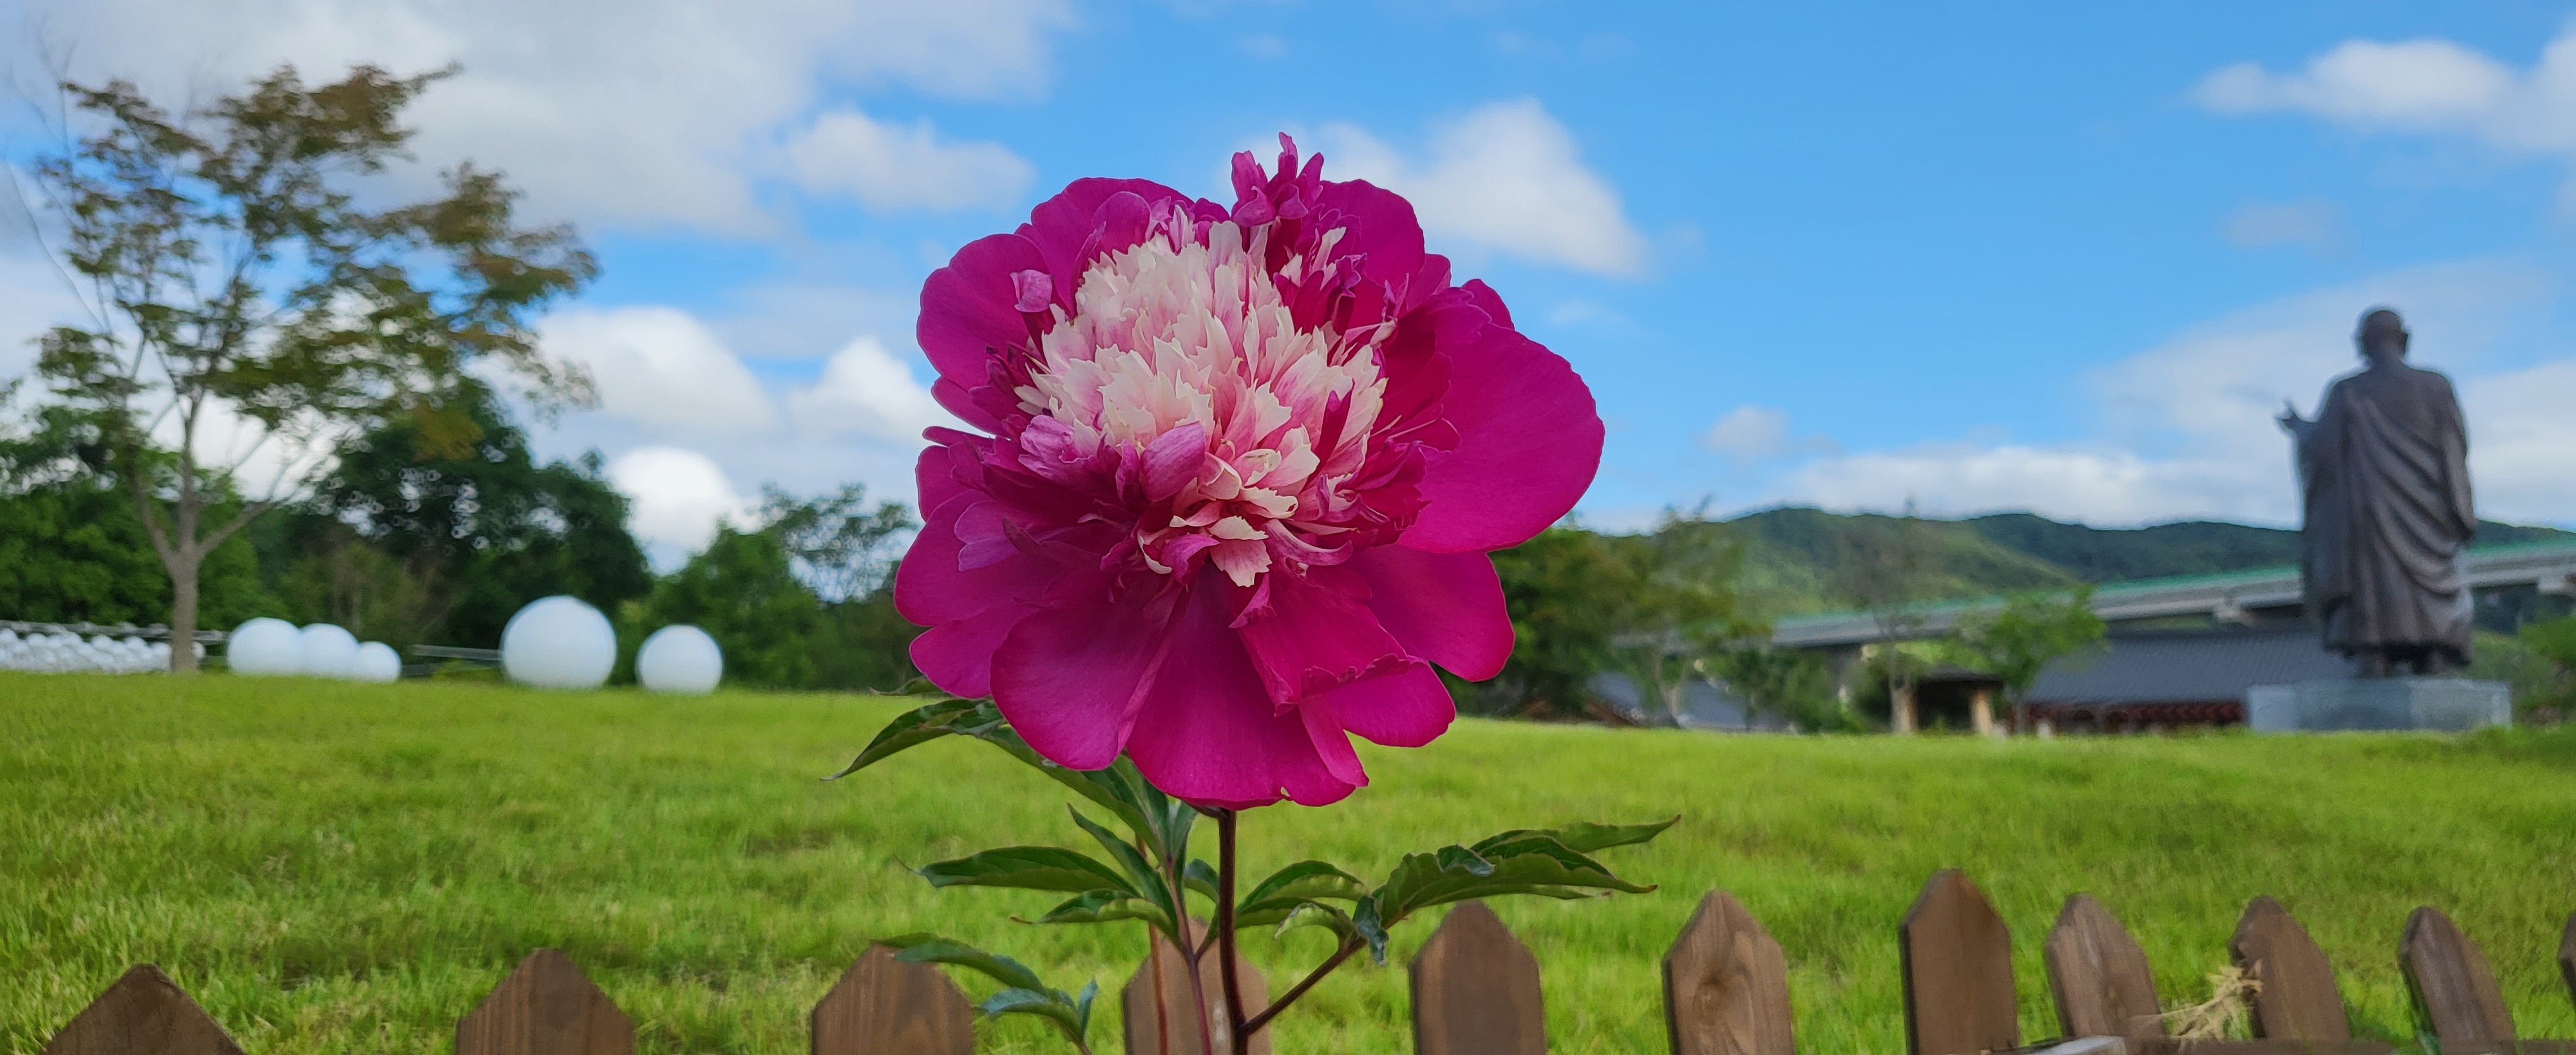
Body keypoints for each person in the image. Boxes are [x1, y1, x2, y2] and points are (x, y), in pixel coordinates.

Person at [2276, 307, 2476, 677]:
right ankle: (2433, 651)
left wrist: (2298, 427)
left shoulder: (2347, 390)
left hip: (2368, 510)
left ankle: (2374, 653)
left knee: (2372, 577)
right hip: (2430, 511)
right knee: (2424, 580)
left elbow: (2322, 449)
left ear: (2362, 344)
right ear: (2405, 339)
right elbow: (2454, 450)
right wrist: (2459, 506)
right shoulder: (2436, 386)